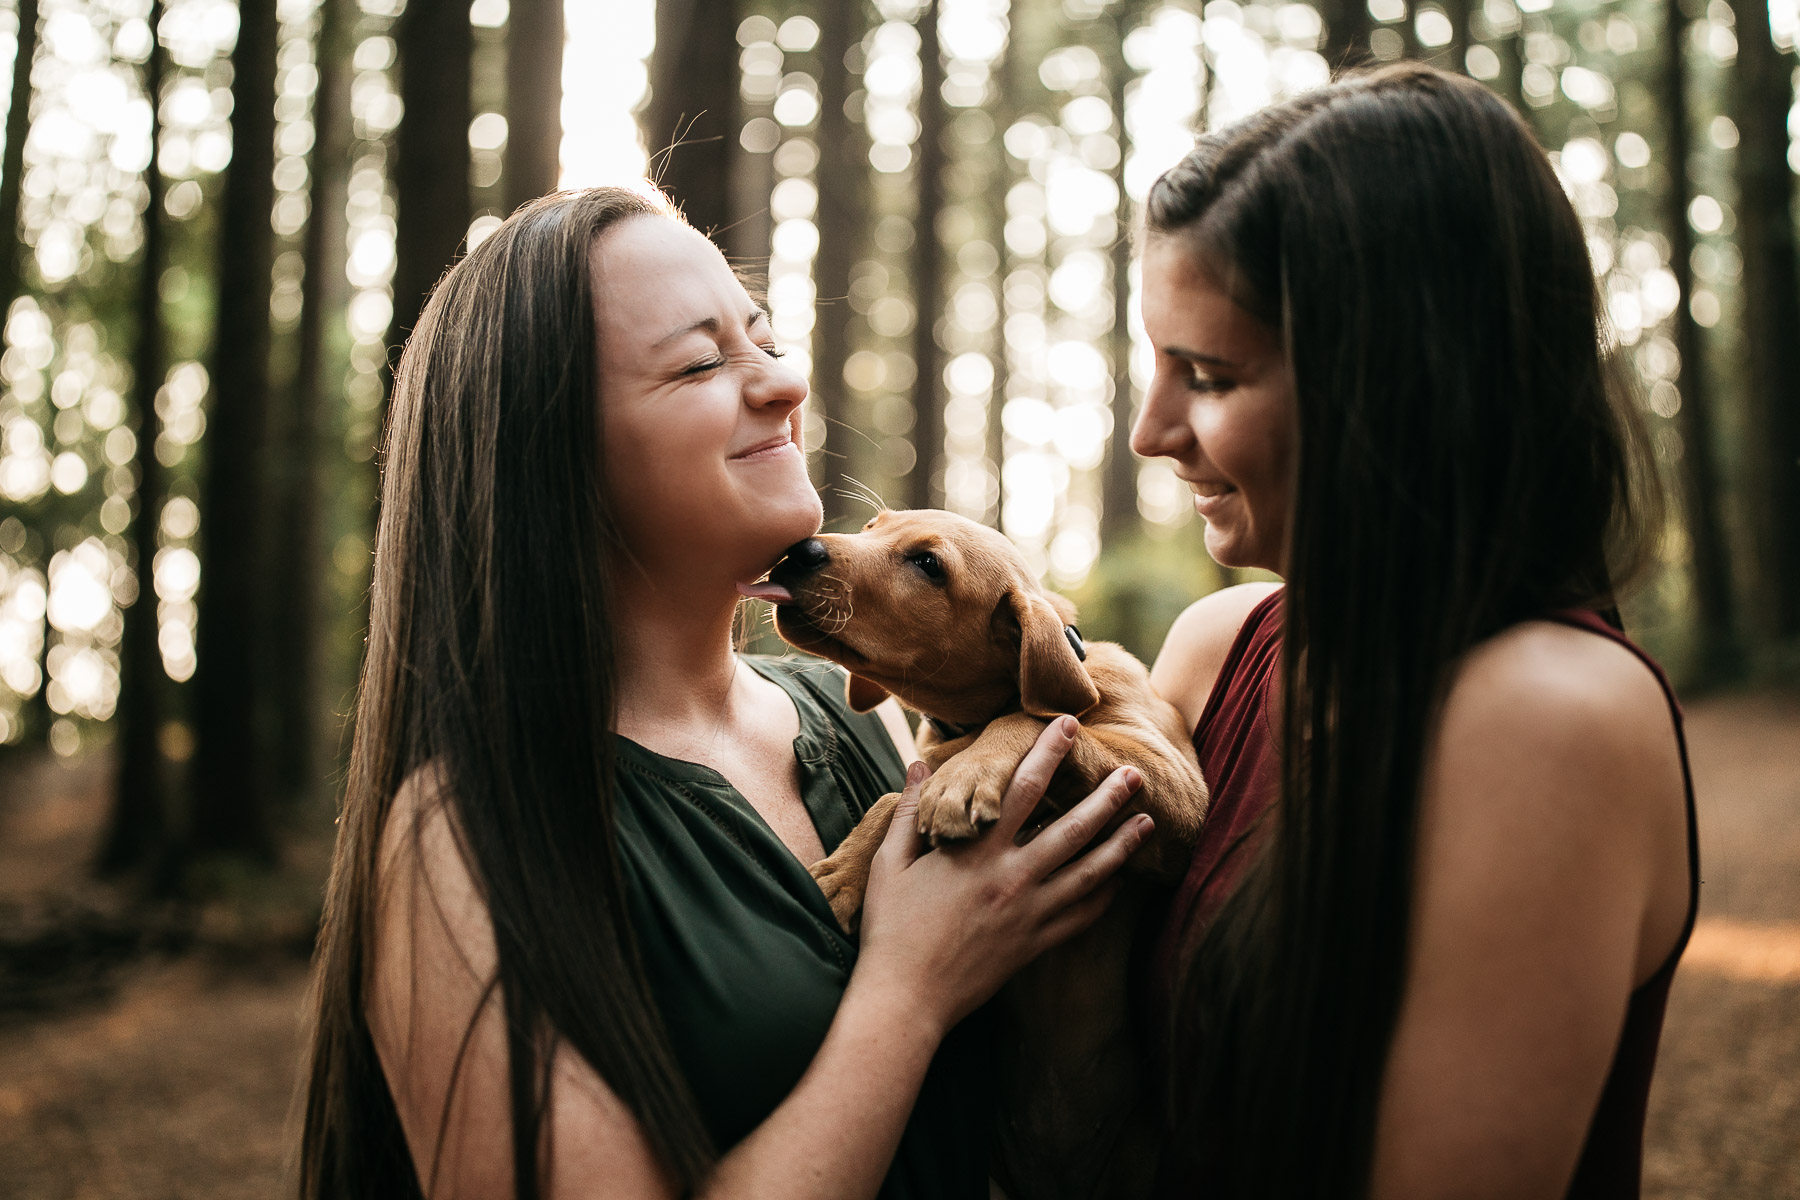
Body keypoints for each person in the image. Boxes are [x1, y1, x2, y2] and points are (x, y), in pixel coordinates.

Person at [297, 187, 1154, 1199]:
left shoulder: (864, 717)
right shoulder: (464, 840)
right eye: (703, 362)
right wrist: (910, 992)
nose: (787, 384)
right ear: (551, 458)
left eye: (766, 340)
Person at [1130, 64, 1697, 1198]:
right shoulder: (1217, 648)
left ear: (1389, 383)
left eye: (1208, 375)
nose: (1153, 431)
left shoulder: (1550, 719)